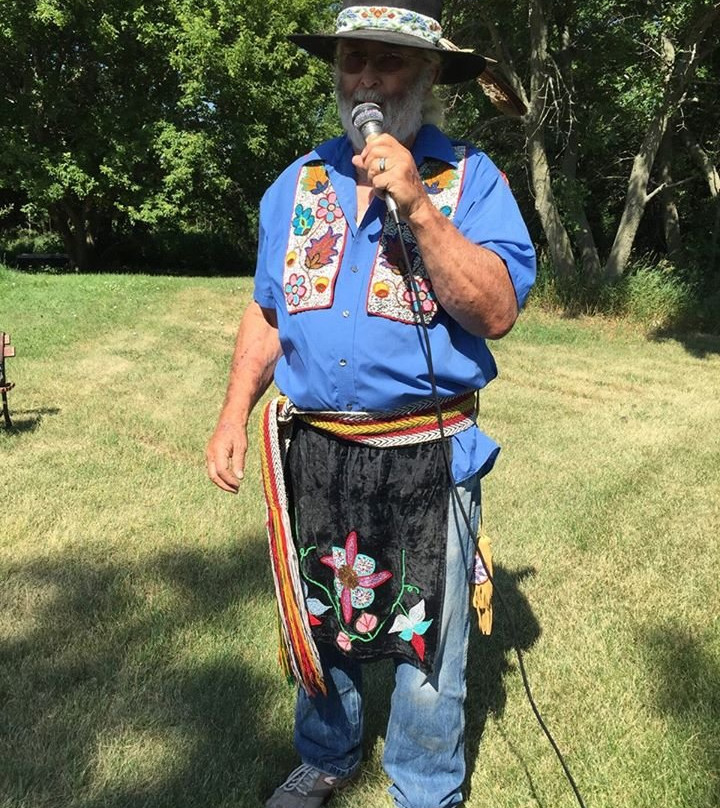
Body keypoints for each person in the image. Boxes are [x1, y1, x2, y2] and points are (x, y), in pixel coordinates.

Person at [206, 2, 536, 807]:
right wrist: (230, 413)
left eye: (388, 65)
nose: (367, 80)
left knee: (427, 650)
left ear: (426, 81)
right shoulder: (299, 182)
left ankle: (424, 790)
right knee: (323, 623)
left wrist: (419, 206)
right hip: (314, 452)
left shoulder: (470, 180)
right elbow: (268, 309)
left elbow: (496, 309)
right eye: (354, 62)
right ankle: (325, 757)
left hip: (428, 455)